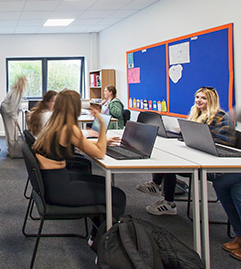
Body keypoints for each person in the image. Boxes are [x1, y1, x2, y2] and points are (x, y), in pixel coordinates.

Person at [32, 89, 126, 241]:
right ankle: (106, 244)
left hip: (51, 183)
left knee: (102, 183)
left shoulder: (54, 123)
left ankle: (95, 235)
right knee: (117, 196)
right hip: (59, 190)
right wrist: (102, 126)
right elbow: (99, 153)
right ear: (74, 107)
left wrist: (101, 142)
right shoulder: (70, 129)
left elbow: (87, 146)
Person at [137, 87, 236, 215]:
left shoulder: (220, 118)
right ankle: (157, 186)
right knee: (166, 158)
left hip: (211, 165)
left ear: (211, 101)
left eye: (203, 98)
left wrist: (199, 136)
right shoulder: (196, 114)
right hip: (195, 155)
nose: (198, 100)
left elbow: (223, 143)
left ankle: (168, 203)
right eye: (197, 97)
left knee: (170, 164)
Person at [0, 76, 27, 158]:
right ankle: (11, 151)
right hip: (7, 112)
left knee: (13, 131)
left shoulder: (17, 91)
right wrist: (15, 119)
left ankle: (13, 149)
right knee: (11, 131)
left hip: (9, 111)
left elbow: (16, 106)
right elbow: (12, 107)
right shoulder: (16, 92)